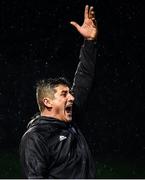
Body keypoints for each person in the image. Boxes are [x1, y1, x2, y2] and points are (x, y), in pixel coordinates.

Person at [20, 5, 98, 178]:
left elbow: (84, 76)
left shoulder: (70, 120)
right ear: (47, 102)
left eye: (69, 92)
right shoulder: (35, 137)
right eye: (64, 94)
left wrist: (90, 43)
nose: (71, 97)